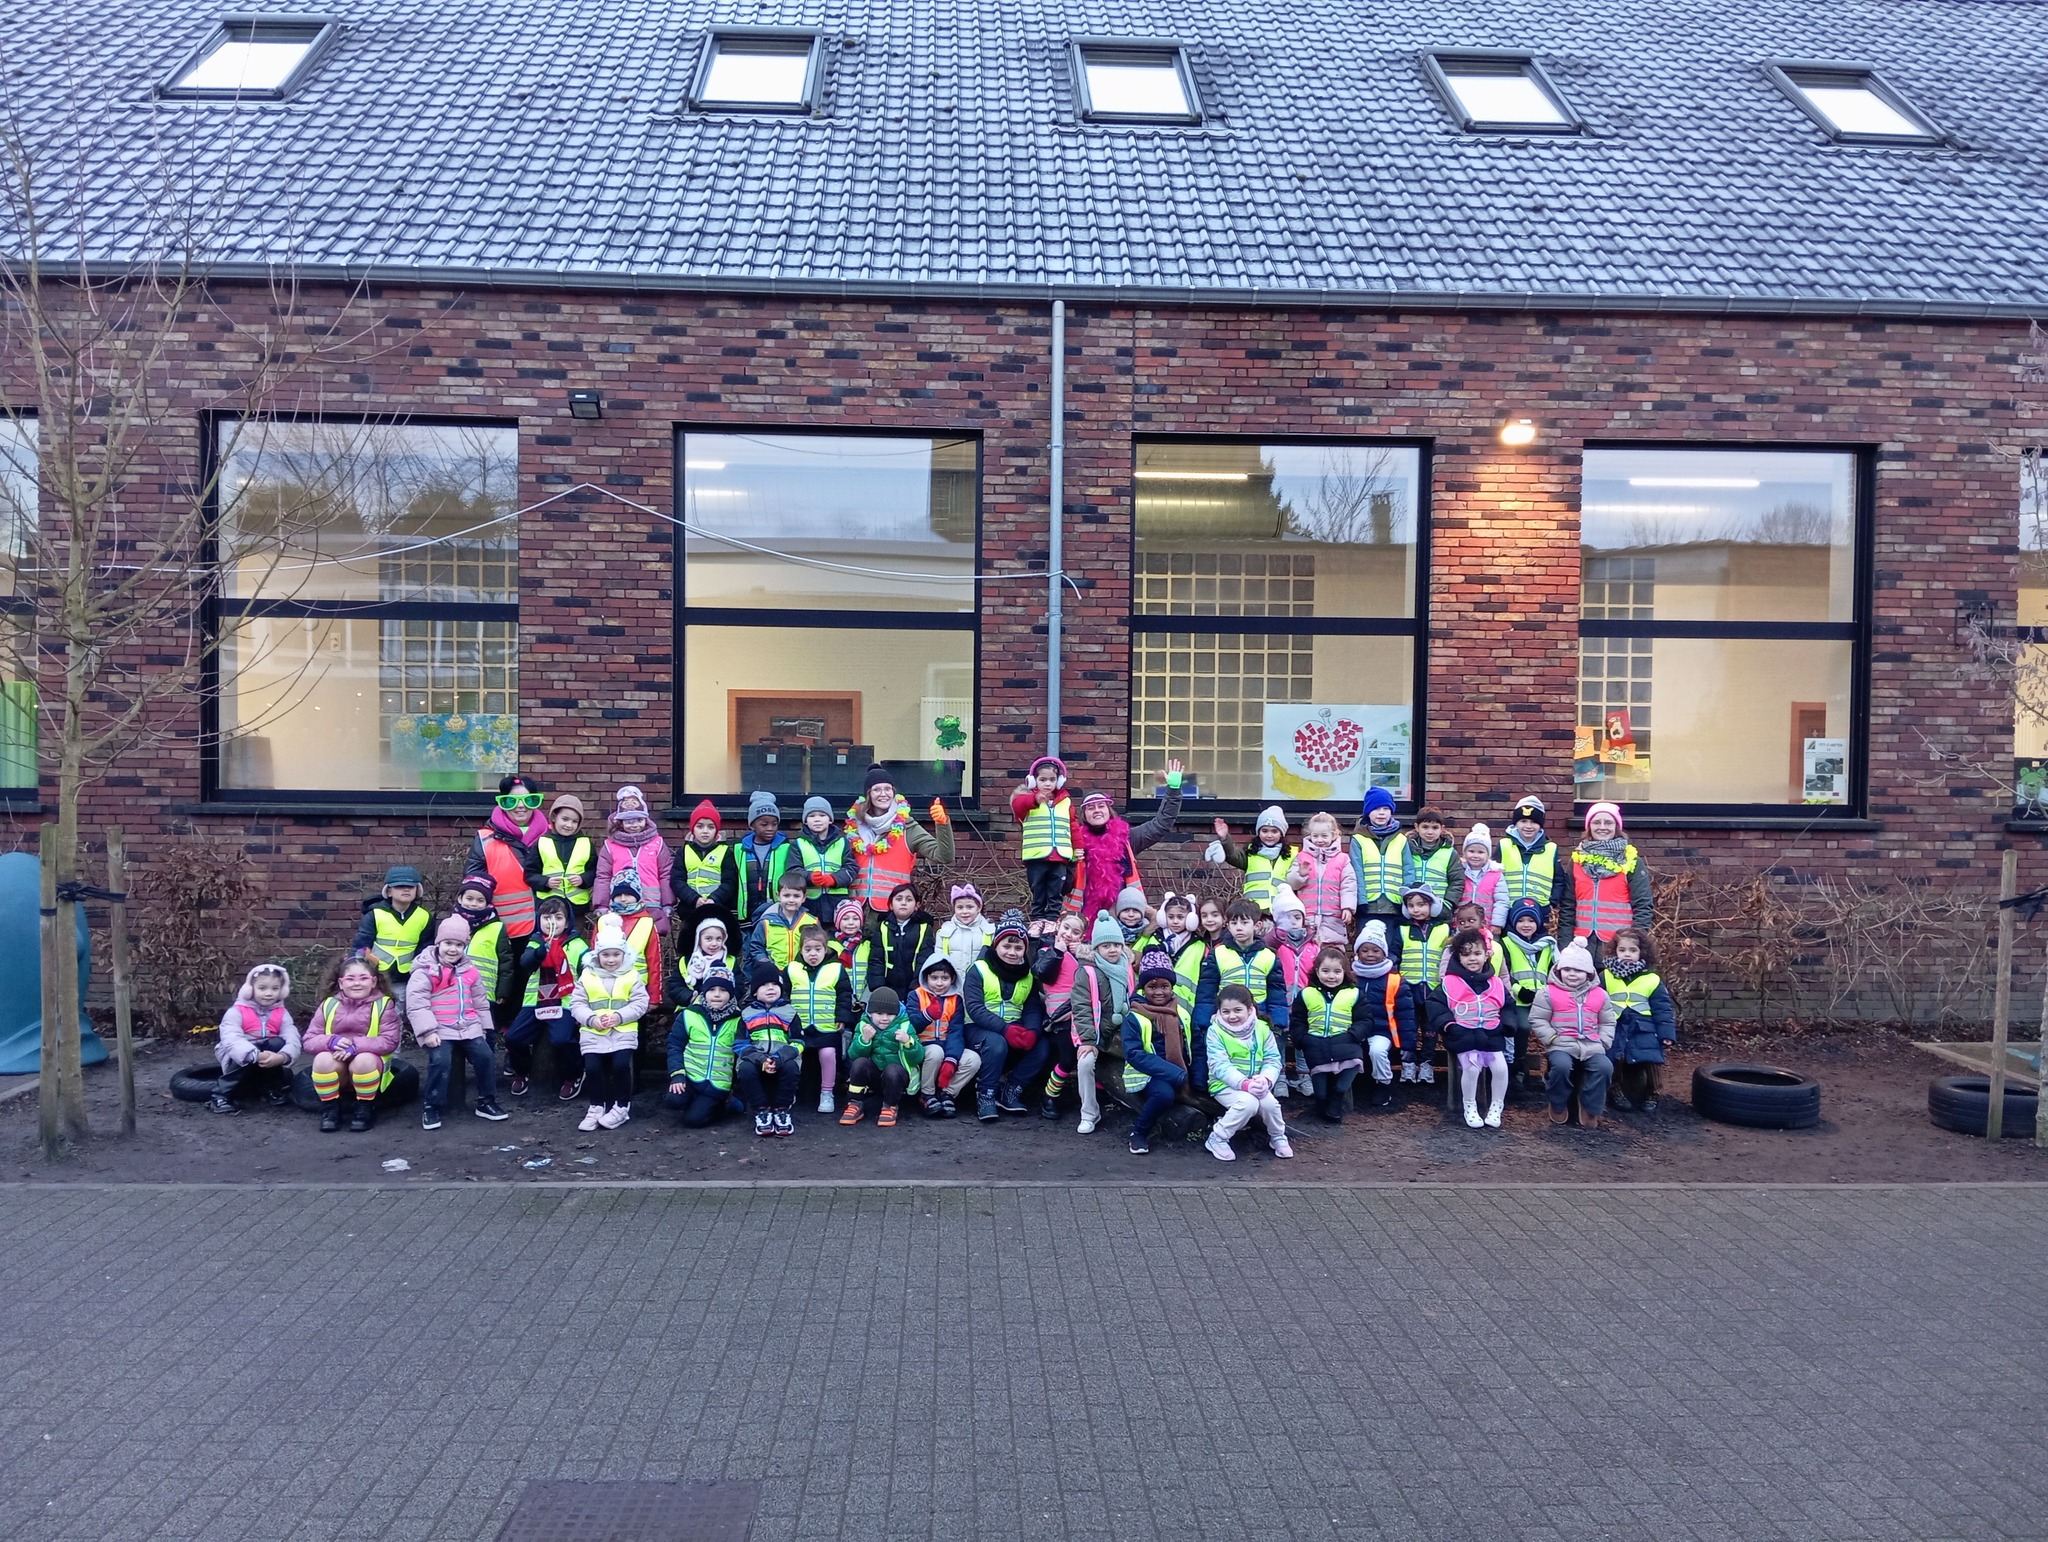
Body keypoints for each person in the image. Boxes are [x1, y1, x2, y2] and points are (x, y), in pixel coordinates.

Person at [406, 915, 506, 1130]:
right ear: (438, 943)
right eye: (448, 943)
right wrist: (427, 1031)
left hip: (468, 1025)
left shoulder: (470, 970)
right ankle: (431, 1105)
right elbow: (417, 1004)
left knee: (486, 1056)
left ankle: (486, 1100)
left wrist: (485, 1028)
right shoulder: (426, 970)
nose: (453, 949)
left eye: (459, 945)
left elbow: (480, 1002)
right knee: (441, 1061)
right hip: (439, 1028)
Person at [1066, 759, 1185, 926]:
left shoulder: (1127, 838)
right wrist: (1071, 862)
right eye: (1091, 808)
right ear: (1084, 815)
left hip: (1125, 921)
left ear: (1109, 810)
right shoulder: (1074, 842)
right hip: (1083, 920)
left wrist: (1173, 791)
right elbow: (1061, 882)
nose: (1097, 810)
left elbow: (1161, 824)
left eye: (1101, 806)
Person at [1192, 901, 1289, 1093]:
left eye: (1244, 922)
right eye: (1234, 923)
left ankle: (1262, 1087)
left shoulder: (1269, 955)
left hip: (1258, 1016)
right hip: (1226, 1016)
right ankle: (1221, 1091)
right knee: (1227, 1055)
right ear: (1227, 925)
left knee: (1257, 1053)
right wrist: (1203, 1019)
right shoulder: (1218, 953)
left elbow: (1277, 991)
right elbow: (1207, 989)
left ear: (1257, 925)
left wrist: (1278, 1020)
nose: (1239, 927)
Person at [568, 914, 649, 1132]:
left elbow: (640, 1003)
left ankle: (621, 1106)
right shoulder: (587, 975)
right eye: (605, 955)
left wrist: (620, 1016)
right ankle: (596, 1106)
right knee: (593, 1068)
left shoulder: (632, 975)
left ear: (624, 954)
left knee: (621, 1066)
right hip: (593, 1031)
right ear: (598, 955)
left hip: (623, 1031)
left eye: (615, 954)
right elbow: (577, 1003)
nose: (611, 960)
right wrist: (591, 1019)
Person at [964, 909, 1046, 1121]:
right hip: (977, 1028)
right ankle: (986, 1095)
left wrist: (1032, 1031)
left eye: (1018, 948)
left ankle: (1011, 1090)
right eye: (1006, 946)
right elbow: (975, 1008)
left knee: (1043, 1045)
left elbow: (1032, 1008)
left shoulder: (1028, 974)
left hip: (1014, 1027)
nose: (1012, 952)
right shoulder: (978, 969)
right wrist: (1004, 1028)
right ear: (996, 945)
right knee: (997, 1043)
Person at [504, 894, 588, 1100]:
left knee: (562, 1040)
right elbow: (525, 963)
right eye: (547, 918)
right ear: (539, 920)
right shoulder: (535, 942)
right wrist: (539, 953)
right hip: (535, 1001)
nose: (552, 923)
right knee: (513, 1038)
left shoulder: (577, 944)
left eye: (558, 918)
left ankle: (574, 1075)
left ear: (567, 921)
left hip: (565, 1001)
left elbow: (588, 974)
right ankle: (522, 1071)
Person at [1529, 939, 1621, 1129]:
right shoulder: (1548, 993)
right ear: (1559, 970)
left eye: (1578, 970)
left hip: (1591, 1044)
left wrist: (1603, 1041)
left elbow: (1607, 1021)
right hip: (1561, 1044)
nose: (1572, 974)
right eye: (1567, 969)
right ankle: (1558, 1103)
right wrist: (1551, 1037)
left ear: (1588, 973)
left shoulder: (1599, 994)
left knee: (1604, 1067)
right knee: (1561, 1067)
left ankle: (1590, 1106)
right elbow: (1538, 1019)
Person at [304, 956, 402, 1133]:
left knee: (363, 1060)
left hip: (369, 1066)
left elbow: (389, 1041)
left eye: (363, 978)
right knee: (322, 1060)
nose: (357, 983)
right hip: (338, 1064)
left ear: (373, 982)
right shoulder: (328, 1004)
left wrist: (355, 1046)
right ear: (341, 983)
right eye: (350, 979)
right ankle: (331, 1109)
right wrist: (331, 1042)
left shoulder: (383, 1005)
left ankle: (365, 1108)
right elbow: (309, 1039)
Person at [1053, 913, 1131, 1134]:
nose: (1112, 950)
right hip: (1095, 1032)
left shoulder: (1126, 967)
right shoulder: (1086, 971)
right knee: (1085, 1063)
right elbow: (1081, 1008)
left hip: (1120, 1030)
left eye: (1117, 945)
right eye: (1106, 946)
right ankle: (1089, 1113)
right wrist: (1088, 1040)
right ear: (1096, 948)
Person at [846, 766, 954, 912]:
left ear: (893, 792)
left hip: (893, 912)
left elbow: (944, 856)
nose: (883, 794)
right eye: (877, 790)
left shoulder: (907, 827)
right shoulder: (854, 827)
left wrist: (942, 823)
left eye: (887, 789)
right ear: (868, 794)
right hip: (855, 912)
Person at [1555, 801, 1653, 962]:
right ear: (1589, 827)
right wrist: (1565, 945)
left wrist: (1633, 945)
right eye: (1596, 822)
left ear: (1616, 827)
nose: (1602, 827)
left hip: (1618, 948)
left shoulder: (1632, 862)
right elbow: (1568, 906)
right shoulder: (1577, 861)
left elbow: (1643, 906)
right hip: (1581, 946)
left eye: (1608, 822)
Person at [1204, 983, 1292, 1161]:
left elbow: (1272, 1059)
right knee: (1248, 1103)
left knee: (1271, 1104)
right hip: (1224, 1085)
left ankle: (1277, 1137)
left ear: (1250, 1008)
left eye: (1238, 1010)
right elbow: (1219, 1065)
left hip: (1257, 1084)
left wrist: (1266, 1080)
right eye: (1226, 1011)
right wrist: (1244, 1084)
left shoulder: (1262, 1028)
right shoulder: (1215, 1031)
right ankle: (1218, 1137)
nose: (1232, 1016)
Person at [1434, 927, 1510, 1130]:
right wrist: (1449, 1025)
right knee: (1471, 1068)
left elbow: (1508, 1005)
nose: (1472, 959)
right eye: (1466, 954)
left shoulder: (1496, 983)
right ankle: (1470, 1105)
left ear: (1486, 955)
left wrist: (1506, 1025)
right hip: (1463, 1034)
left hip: (1491, 1034)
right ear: (1458, 957)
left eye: (1477, 953)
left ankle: (1496, 1106)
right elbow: (1435, 1005)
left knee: (1501, 1068)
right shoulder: (1449, 982)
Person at [1120, 951, 1192, 1156]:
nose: (1159, 992)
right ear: (1143, 988)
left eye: (1164, 986)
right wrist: (1173, 1073)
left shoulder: (1181, 1012)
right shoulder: (1135, 1016)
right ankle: (1139, 1132)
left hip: (1180, 1069)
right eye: (1152, 987)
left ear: (1172, 987)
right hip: (1149, 1073)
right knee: (1164, 1095)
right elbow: (1134, 1054)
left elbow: (1194, 1043)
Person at [1604, 927, 1677, 1112]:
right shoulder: (1606, 976)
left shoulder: (1652, 979)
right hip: (1616, 1026)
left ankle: (1653, 1093)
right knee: (1614, 1056)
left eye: (1633, 950)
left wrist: (1666, 1034)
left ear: (1642, 952)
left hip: (1643, 1028)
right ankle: (1615, 1090)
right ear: (1615, 951)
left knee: (1652, 1057)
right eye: (1622, 950)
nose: (1627, 954)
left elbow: (1662, 1009)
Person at [209, 963, 299, 1114]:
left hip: (267, 1058)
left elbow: (292, 1037)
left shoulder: (282, 1013)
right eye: (262, 988)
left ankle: (269, 1089)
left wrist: (283, 1056)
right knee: (242, 1049)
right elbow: (231, 1039)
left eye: (275, 989)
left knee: (278, 1043)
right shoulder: (236, 1011)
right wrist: (254, 1054)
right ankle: (220, 1096)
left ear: (282, 991)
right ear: (250, 989)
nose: (269, 993)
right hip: (240, 1057)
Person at [465, 774, 545, 938]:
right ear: (502, 803)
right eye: (511, 801)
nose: (521, 806)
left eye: (528, 800)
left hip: (547, 926)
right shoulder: (485, 838)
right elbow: (473, 885)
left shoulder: (551, 835)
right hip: (501, 930)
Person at [1291, 944, 1364, 1124]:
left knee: (1354, 1062)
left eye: (1337, 972)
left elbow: (1365, 1020)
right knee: (1321, 1092)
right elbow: (1298, 1020)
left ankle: (1338, 1095)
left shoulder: (1354, 994)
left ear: (1345, 972)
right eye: (1326, 971)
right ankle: (1322, 1102)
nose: (1331, 976)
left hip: (1345, 1042)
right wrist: (1303, 1039)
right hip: (1316, 1044)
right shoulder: (1306, 994)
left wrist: (1353, 1035)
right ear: (1317, 971)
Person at [592, 784, 676, 938]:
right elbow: (603, 876)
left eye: (639, 820)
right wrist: (601, 904)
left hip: (651, 904)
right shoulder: (610, 846)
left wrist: (667, 903)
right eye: (629, 821)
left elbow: (665, 874)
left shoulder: (657, 843)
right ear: (620, 822)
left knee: (650, 940)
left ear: (646, 819)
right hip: (621, 904)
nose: (634, 825)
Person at [664, 966, 742, 1128]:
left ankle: (724, 1104)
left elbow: (739, 1054)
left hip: (718, 1082)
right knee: (673, 1100)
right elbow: (675, 1045)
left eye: (723, 990)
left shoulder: (738, 1020)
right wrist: (677, 1074)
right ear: (704, 991)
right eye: (712, 989)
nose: (717, 994)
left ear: (731, 993)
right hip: (691, 1076)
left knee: (693, 1120)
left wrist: (733, 1086)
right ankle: (696, 1102)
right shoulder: (689, 1015)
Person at [786, 923, 851, 1115]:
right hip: (799, 1028)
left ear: (825, 949)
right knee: (793, 1055)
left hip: (827, 1027)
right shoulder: (792, 969)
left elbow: (845, 995)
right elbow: (784, 996)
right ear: (801, 950)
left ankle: (827, 1092)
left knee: (828, 1054)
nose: (813, 954)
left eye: (817, 949)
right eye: (808, 949)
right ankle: (788, 1091)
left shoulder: (836, 969)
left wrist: (842, 1016)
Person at [733, 962, 802, 1136]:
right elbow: (740, 1044)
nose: (770, 988)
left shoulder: (790, 1012)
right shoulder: (747, 1014)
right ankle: (761, 1110)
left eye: (774, 984)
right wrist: (761, 1059)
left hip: (783, 1057)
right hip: (756, 1058)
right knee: (745, 1069)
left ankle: (782, 1109)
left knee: (792, 1068)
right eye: (764, 985)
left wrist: (780, 1057)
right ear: (755, 991)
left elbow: (798, 1042)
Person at [1393, 883, 1450, 1085]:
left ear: (1432, 905)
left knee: (1430, 1029)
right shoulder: (1401, 929)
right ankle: (1408, 1064)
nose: (1416, 909)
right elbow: (1394, 955)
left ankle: (1427, 1064)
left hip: (1433, 989)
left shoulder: (1444, 929)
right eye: (1411, 905)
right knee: (1408, 1028)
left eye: (1421, 904)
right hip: (1408, 988)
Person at [450, 873, 520, 1035]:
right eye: (469, 898)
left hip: (484, 994)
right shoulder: (451, 923)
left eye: (480, 900)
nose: (474, 904)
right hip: (452, 992)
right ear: (460, 898)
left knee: (483, 1034)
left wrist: (502, 992)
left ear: (488, 903)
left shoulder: (497, 928)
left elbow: (506, 964)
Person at [1350, 923, 1413, 1107]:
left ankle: (1383, 1084)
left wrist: (1408, 1044)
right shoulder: (1350, 977)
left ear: (1384, 953)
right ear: (1357, 953)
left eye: (1376, 950)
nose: (1370, 954)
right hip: (1355, 1029)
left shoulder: (1394, 980)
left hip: (1382, 1030)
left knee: (1377, 1051)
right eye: (1365, 950)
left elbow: (1406, 1014)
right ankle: (1351, 1083)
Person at [840, 987, 921, 1128]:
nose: (884, 1018)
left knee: (893, 1070)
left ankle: (890, 1106)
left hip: (897, 1080)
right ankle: (854, 1103)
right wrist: (864, 1040)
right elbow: (853, 1055)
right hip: (875, 1078)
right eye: (879, 1013)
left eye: (890, 1014)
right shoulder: (864, 1025)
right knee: (859, 1063)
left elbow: (918, 1058)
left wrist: (908, 1042)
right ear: (870, 1013)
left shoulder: (905, 1026)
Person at [906, 957, 977, 1117]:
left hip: (947, 1045)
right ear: (926, 977)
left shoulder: (956, 1000)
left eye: (944, 978)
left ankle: (947, 1093)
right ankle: (927, 1094)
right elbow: (910, 1026)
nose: (939, 983)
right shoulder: (916, 995)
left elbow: (956, 1032)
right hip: (922, 1046)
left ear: (952, 979)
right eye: (934, 978)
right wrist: (927, 1015)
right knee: (935, 1052)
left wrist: (951, 1059)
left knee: (973, 1059)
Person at [1012, 754, 1076, 928]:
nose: (1048, 783)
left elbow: (1073, 826)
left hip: (1060, 856)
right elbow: (1018, 806)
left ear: (1059, 781)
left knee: (1056, 890)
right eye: (1043, 779)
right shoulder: (1025, 798)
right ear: (1033, 781)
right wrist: (1034, 799)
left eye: (1052, 779)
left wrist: (1078, 848)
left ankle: (1052, 919)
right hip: (1036, 856)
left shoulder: (1065, 801)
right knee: (1038, 889)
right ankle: (1037, 918)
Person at [1499, 899, 1555, 1095]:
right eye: (1521, 920)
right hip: (1519, 998)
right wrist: (1518, 990)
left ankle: (1552, 1070)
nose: (1526, 925)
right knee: (1522, 1027)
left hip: (1544, 999)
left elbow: (1554, 971)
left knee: (1555, 1030)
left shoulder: (1548, 944)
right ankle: (1518, 1067)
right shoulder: (1506, 942)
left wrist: (1549, 992)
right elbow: (1504, 971)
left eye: (1531, 920)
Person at [351, 865, 431, 984]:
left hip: (408, 977)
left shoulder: (424, 916)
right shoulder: (375, 914)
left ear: (417, 890)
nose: (406, 889)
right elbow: (361, 946)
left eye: (411, 886)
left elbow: (425, 949)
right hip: (376, 976)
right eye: (399, 886)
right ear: (389, 891)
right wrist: (358, 972)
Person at [1287, 810, 1357, 945]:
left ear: (1334, 835)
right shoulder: (1302, 857)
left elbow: (1349, 885)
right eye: (1315, 836)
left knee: (1332, 949)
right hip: (1307, 916)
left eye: (1324, 836)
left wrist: (1347, 907)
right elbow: (1292, 884)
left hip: (1333, 917)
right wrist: (1300, 875)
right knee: (1307, 950)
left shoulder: (1342, 859)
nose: (1319, 840)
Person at [1210, 806, 1296, 915]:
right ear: (1258, 832)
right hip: (1253, 910)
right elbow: (1232, 856)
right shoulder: (1250, 852)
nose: (1269, 835)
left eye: (1274, 831)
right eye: (1264, 831)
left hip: (1281, 909)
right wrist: (1225, 838)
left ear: (1281, 833)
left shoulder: (1292, 854)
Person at [859, 882, 936, 998]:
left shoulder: (924, 928)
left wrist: (916, 988)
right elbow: (876, 960)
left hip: (916, 991)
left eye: (909, 900)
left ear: (917, 905)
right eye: (899, 899)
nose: (903, 903)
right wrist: (879, 989)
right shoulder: (882, 927)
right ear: (891, 905)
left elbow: (924, 960)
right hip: (886, 990)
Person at [678, 799, 741, 938]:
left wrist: (714, 898)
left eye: (711, 827)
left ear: (717, 830)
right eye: (700, 826)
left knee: (716, 942)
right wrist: (694, 899)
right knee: (689, 943)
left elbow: (730, 882)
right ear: (692, 829)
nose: (705, 831)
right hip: (690, 909)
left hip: (718, 908)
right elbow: (677, 881)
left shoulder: (725, 852)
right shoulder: (684, 851)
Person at [534, 792, 596, 932]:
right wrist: (545, 882)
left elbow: (594, 871)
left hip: (577, 908)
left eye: (575, 821)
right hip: (548, 907)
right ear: (554, 817)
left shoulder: (585, 843)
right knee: (549, 940)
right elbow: (530, 874)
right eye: (565, 819)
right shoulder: (542, 842)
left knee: (575, 940)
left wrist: (583, 879)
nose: (569, 825)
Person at [792, 795, 858, 926]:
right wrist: (809, 877)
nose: (817, 819)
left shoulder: (842, 842)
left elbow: (851, 868)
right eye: (812, 816)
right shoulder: (798, 844)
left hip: (838, 904)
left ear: (830, 819)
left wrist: (834, 879)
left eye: (822, 815)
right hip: (809, 904)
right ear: (805, 821)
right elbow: (793, 871)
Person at [1350, 786, 1409, 928]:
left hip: (1394, 905)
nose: (1381, 813)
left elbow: (1408, 870)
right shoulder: (1358, 839)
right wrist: (1361, 901)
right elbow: (1357, 872)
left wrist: (1407, 899)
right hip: (1368, 906)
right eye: (1376, 809)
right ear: (1368, 812)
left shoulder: (1401, 839)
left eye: (1386, 808)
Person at [606, 871, 665, 1009]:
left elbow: (654, 962)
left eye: (628, 894)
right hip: (606, 988)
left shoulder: (647, 923)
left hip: (637, 989)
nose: (623, 899)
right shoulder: (604, 921)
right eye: (618, 895)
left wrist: (654, 998)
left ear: (637, 895)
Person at [734, 791, 795, 925]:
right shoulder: (740, 850)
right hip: (747, 914)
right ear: (752, 825)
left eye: (774, 824)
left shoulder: (785, 848)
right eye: (764, 824)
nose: (770, 828)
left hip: (777, 913)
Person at [743, 868, 817, 978]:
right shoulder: (766, 922)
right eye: (786, 895)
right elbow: (756, 947)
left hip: (802, 974)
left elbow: (818, 946)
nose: (791, 900)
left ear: (804, 897)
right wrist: (767, 964)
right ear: (778, 895)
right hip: (774, 974)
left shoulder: (812, 922)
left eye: (796, 896)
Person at [1499, 796, 1558, 922]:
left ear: (1540, 825)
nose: (1528, 826)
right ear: (1516, 823)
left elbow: (1559, 880)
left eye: (1534, 822)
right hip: (1508, 910)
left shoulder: (1551, 848)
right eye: (1523, 821)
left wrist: (1552, 903)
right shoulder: (1504, 845)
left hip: (1541, 911)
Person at [668, 914, 736, 1015]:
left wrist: (722, 999)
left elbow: (738, 988)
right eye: (708, 939)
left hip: (723, 1009)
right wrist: (690, 997)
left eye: (718, 939)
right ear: (699, 939)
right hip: (689, 1008)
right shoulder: (686, 961)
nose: (714, 943)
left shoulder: (730, 961)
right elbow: (674, 986)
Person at [933, 883, 996, 983]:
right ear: (954, 908)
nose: (964, 911)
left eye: (970, 907)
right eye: (960, 907)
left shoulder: (990, 932)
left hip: (981, 986)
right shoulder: (944, 932)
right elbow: (938, 961)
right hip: (951, 986)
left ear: (979, 908)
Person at [1455, 824, 1508, 930]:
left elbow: (1501, 901)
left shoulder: (1496, 874)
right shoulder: (1458, 871)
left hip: (1486, 926)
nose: (1475, 855)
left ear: (1488, 855)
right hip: (1462, 926)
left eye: (1480, 852)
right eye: (1471, 851)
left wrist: (1497, 924)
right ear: (1464, 853)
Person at [1404, 806, 1456, 904]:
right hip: (1412, 906)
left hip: (1439, 905)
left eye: (1435, 827)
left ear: (1442, 829)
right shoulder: (1407, 850)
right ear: (1417, 827)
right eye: (1425, 827)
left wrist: (1448, 904)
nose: (1430, 832)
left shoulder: (1449, 852)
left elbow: (1456, 882)